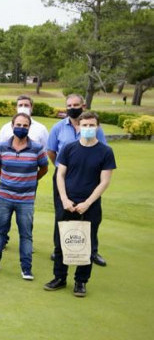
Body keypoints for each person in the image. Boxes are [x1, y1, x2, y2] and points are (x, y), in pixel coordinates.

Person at [45, 112, 116, 297]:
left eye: (91, 125)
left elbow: (104, 181)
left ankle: (80, 282)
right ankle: (59, 278)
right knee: (61, 241)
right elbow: (60, 175)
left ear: (98, 127)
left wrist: (87, 203)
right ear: (79, 127)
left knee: (86, 243)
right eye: (84, 125)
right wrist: (64, 199)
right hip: (67, 202)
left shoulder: (105, 151)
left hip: (90, 205)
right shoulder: (69, 148)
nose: (88, 129)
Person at [0, 113, 49, 280]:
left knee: (26, 234)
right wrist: (6, 180)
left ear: (29, 127)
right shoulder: (2, 146)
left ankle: (26, 268)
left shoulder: (37, 148)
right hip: (4, 197)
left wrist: (31, 180)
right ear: (12, 126)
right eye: (18, 124)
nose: (21, 128)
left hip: (26, 200)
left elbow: (44, 168)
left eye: (25, 125)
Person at [47, 94, 109, 266]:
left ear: (83, 106)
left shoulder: (96, 128)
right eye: (69, 105)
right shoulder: (58, 127)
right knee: (62, 213)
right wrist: (61, 168)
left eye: (75, 104)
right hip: (63, 177)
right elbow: (51, 151)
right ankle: (59, 249)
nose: (72, 107)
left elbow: (102, 149)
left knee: (92, 215)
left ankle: (92, 251)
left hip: (89, 178)